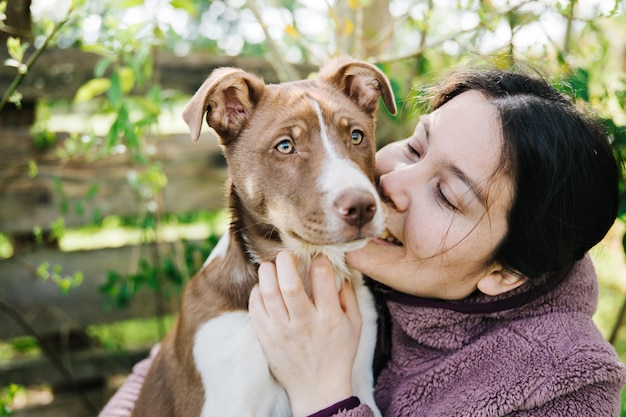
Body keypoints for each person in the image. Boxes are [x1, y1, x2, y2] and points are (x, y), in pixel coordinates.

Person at [99, 66, 626, 417]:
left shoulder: (566, 384)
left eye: (445, 194)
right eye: (415, 147)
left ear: (505, 273)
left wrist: (324, 391)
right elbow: (167, 370)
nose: (385, 186)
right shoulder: (349, 266)